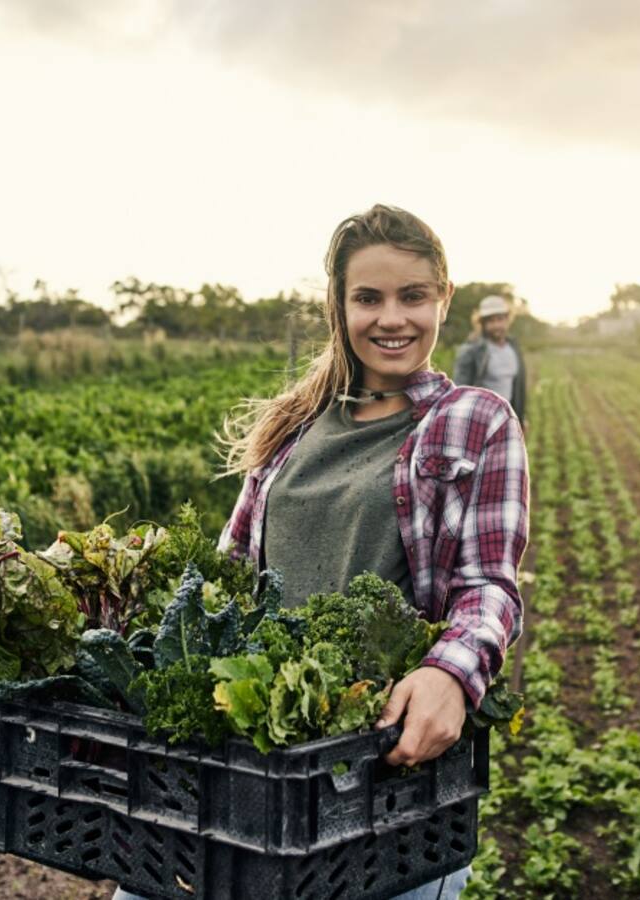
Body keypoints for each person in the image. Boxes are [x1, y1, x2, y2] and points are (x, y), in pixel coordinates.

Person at [113, 204, 529, 900]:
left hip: (380, 779)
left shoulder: (474, 420)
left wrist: (449, 675)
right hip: (251, 766)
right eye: (368, 297)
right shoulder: (293, 426)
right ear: (338, 305)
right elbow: (227, 572)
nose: (391, 317)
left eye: (412, 296)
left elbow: (488, 584)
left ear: (443, 300)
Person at [453, 295, 527, 428]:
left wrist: (520, 419)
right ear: (482, 324)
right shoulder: (472, 350)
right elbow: (460, 392)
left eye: (500, 319)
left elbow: (517, 387)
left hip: (507, 420)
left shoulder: (513, 346)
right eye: (491, 321)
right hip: (481, 422)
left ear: (507, 319)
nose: (497, 325)